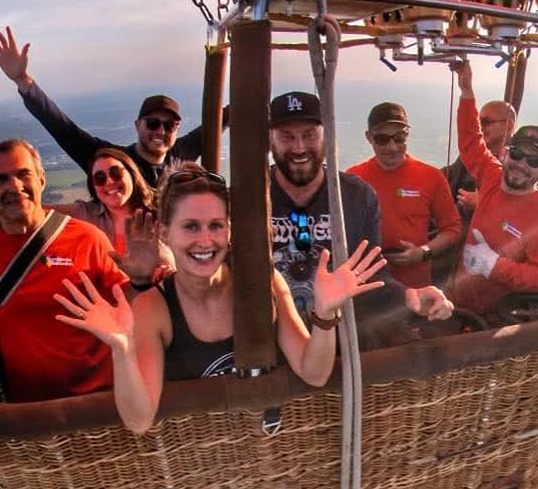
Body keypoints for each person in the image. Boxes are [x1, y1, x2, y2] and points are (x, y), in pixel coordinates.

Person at [54, 167, 388, 433]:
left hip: (272, 445)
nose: (205, 240)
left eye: (215, 225)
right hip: (206, 460)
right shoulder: (154, 308)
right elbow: (139, 420)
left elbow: (313, 372)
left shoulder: (262, 284)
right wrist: (122, 350)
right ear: (165, 233)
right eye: (191, 227)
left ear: (229, 230)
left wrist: (324, 313)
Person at [0, 139, 128, 402]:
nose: (15, 187)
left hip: (100, 401)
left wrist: (147, 278)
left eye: (24, 174)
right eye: (1, 180)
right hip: (29, 412)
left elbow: (131, 314)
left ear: (42, 180)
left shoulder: (88, 239)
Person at [267, 91, 452, 329]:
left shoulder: (357, 196)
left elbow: (370, 272)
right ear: (270, 141)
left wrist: (408, 296)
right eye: (287, 137)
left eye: (309, 135)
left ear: (327, 137)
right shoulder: (249, 197)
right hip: (271, 333)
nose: (300, 147)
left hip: (340, 332)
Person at [0, 25, 208, 187]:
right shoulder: (112, 159)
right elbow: (63, 129)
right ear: (138, 125)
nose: (161, 131)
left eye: (169, 125)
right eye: (153, 123)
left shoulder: (180, 153)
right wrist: (22, 80)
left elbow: (223, 118)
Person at [0, 143, 168, 285]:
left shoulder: (163, 213)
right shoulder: (83, 216)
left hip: (159, 306)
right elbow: (22, 210)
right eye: (99, 178)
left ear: (132, 173)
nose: (109, 182)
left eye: (116, 173)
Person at [446, 61, 538, 318]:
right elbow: (471, 143)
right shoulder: (492, 176)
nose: (522, 165)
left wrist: (493, 266)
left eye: (533, 161)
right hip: (455, 303)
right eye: (518, 154)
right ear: (506, 154)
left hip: (493, 319)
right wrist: (467, 91)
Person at [345, 102, 461, 288]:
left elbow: (452, 229)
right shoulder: (353, 179)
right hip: (367, 286)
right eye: (382, 139)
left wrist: (422, 252)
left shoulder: (431, 176)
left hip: (416, 287)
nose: (392, 147)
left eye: (399, 138)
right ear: (369, 137)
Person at [436, 98, 516, 284]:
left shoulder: (519, 165)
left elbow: (523, 212)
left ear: (508, 126)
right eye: (478, 122)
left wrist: (485, 204)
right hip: (455, 232)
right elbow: (447, 181)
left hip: (491, 247)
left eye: (486, 122)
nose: (480, 127)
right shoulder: (470, 158)